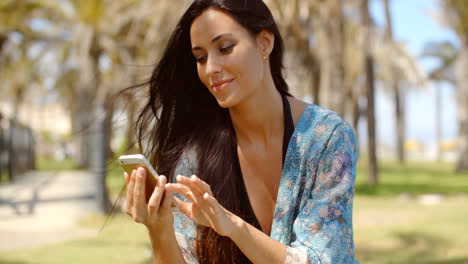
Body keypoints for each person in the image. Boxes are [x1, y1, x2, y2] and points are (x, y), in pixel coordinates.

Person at [123, 0, 359, 263]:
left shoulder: (325, 138)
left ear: (264, 43)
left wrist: (234, 227)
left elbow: (321, 259)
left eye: (225, 47)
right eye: (200, 57)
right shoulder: (196, 158)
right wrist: (159, 229)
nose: (211, 68)